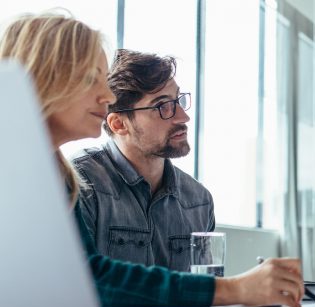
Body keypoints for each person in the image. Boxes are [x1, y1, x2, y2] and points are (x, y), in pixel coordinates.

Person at [0, 12, 305, 307]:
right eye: (90, 79)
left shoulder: (55, 173)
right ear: (45, 78)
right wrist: (236, 289)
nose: (106, 95)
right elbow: (87, 282)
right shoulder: (62, 178)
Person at [72, 49, 213, 272]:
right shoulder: (80, 185)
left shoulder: (199, 200)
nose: (183, 117)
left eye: (178, 100)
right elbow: (81, 287)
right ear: (119, 124)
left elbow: (207, 289)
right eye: (163, 106)